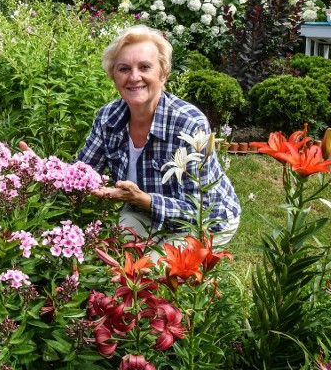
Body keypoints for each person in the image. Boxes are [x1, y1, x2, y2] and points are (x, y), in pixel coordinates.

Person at [22, 25, 241, 243]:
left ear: (163, 74)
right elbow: (83, 172)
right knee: (117, 254)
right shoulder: (109, 117)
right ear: (113, 76)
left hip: (207, 221)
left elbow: (199, 209)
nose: (134, 77)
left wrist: (143, 199)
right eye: (124, 69)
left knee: (159, 272)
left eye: (145, 67)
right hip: (144, 209)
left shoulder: (189, 124)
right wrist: (46, 171)